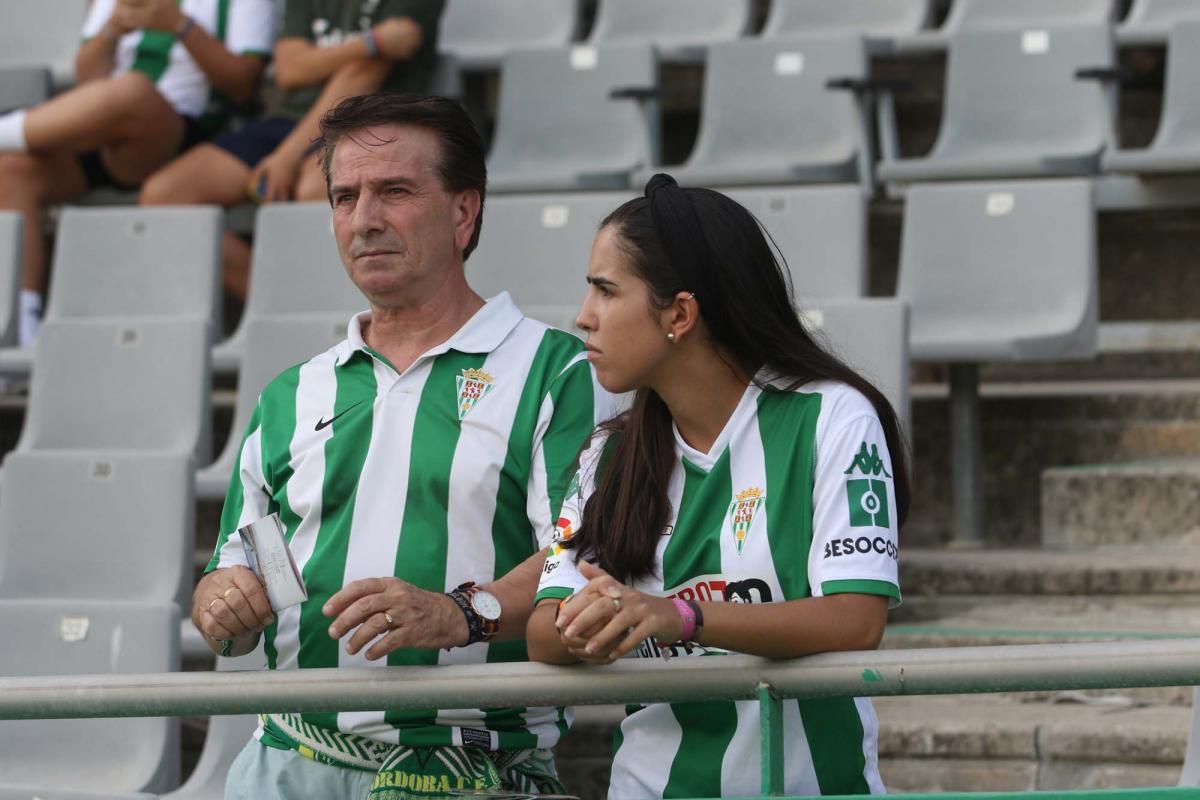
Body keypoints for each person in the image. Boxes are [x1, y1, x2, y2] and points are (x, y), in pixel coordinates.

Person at [192, 93, 613, 798]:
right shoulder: (290, 394)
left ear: (463, 212)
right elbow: (239, 568)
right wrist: (222, 601)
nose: (365, 221)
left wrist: (458, 613)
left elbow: (582, 557)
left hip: (473, 769)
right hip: (287, 765)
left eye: (394, 191)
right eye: (345, 197)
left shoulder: (553, 370)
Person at [527, 175, 911, 798]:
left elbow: (855, 618)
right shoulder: (608, 453)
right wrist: (591, 620)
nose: (583, 316)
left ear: (679, 314)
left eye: (605, 290)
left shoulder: (832, 417)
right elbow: (545, 629)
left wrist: (680, 616)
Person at [0, 0, 274, 346]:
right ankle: (18, 336)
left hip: (187, 132)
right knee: (13, 170)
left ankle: (7, 130)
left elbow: (243, 83)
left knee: (135, 91)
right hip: (107, 130)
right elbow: (88, 78)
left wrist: (180, 26)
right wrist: (112, 31)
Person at [140, 0, 445, 302]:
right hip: (286, 122)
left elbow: (361, 75)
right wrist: (372, 41)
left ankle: (329, 313)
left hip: (371, 122)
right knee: (165, 197)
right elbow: (290, 70)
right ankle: (280, 306)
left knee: (317, 188)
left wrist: (287, 156)